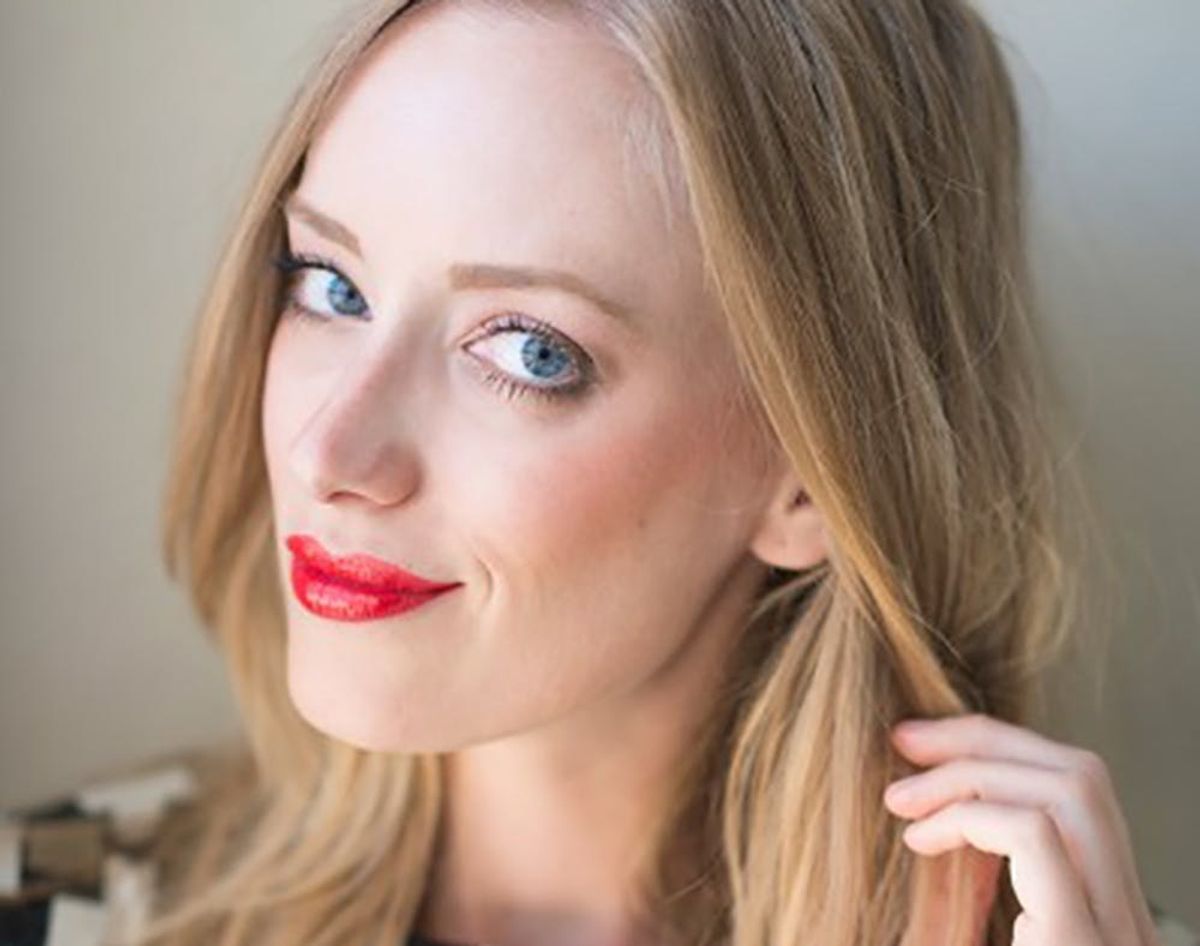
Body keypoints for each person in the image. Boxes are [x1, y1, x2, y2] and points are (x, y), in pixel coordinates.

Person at [3, 1, 1194, 945]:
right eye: (331, 285)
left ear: (809, 479)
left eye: (531, 350)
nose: (328, 453)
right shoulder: (50, 903)